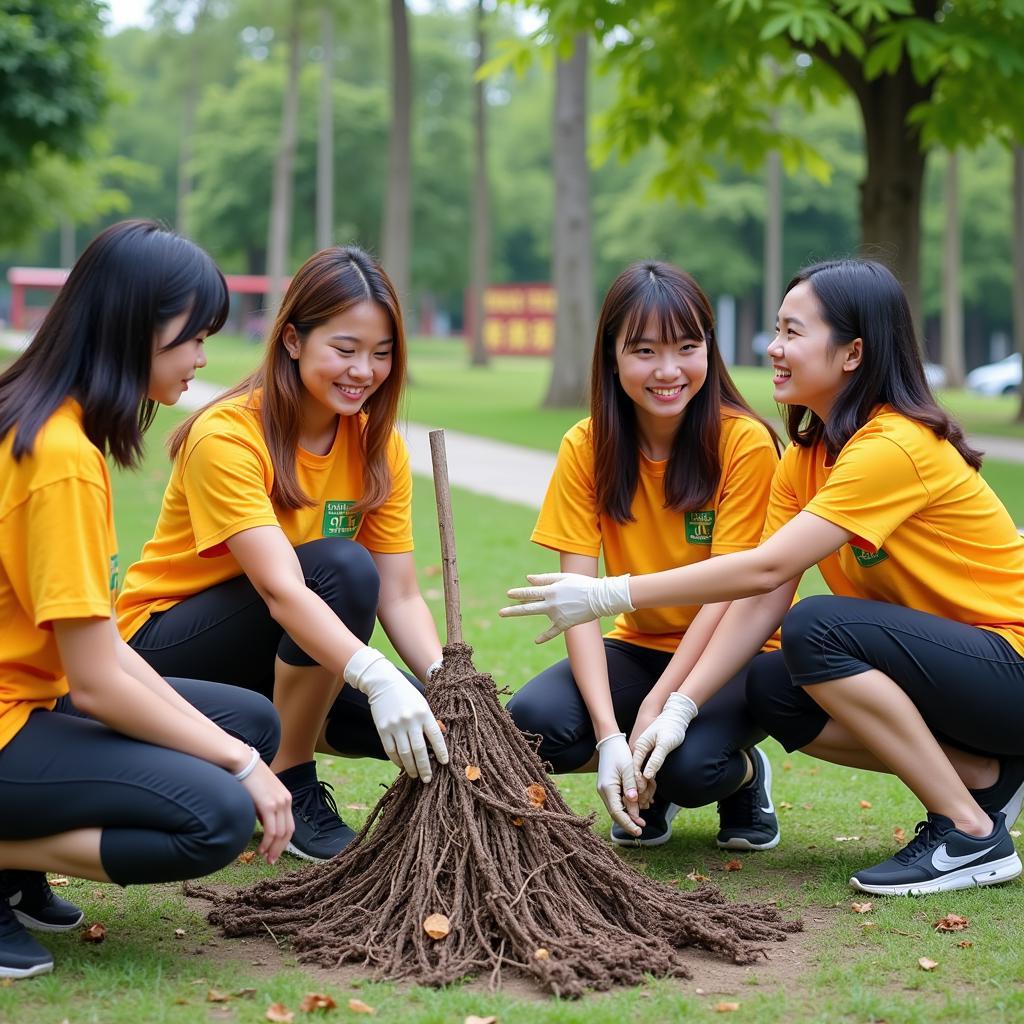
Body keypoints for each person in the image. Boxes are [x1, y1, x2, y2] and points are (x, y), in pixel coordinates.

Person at [502, 258, 1024, 896]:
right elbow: (758, 595)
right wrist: (677, 708)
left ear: (853, 352)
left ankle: (970, 834)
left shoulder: (894, 444)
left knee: (815, 628)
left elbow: (768, 566)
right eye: (776, 330)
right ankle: (983, 776)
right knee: (777, 686)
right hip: (953, 674)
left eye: (793, 333)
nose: (773, 348)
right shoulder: (808, 454)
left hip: (1008, 666)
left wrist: (611, 593)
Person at [0, 220, 293, 980]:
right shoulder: (59, 457)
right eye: (191, 336)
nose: (202, 356)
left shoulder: (53, 423)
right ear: (131, 329)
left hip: (35, 695)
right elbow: (97, 681)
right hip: (11, 716)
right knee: (216, 817)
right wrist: (236, 767)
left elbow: (97, 654)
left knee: (253, 723)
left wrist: (234, 748)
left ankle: (14, 871)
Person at [116, 246, 449, 863]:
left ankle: (278, 746)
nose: (364, 371)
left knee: (433, 721)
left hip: (283, 642)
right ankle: (291, 783)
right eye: (345, 350)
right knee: (340, 569)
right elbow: (282, 589)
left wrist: (443, 680)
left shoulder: (378, 448)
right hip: (163, 647)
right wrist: (373, 676)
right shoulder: (227, 435)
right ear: (292, 340)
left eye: (382, 354)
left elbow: (401, 593)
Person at [506, 261, 783, 851]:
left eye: (688, 347)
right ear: (611, 356)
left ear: (711, 348)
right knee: (532, 725)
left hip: (734, 653)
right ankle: (637, 767)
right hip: (639, 646)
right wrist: (609, 736)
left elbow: (730, 593)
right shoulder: (587, 446)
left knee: (691, 768)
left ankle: (746, 775)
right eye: (645, 350)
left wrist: (663, 706)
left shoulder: (745, 443)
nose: (668, 370)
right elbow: (577, 601)